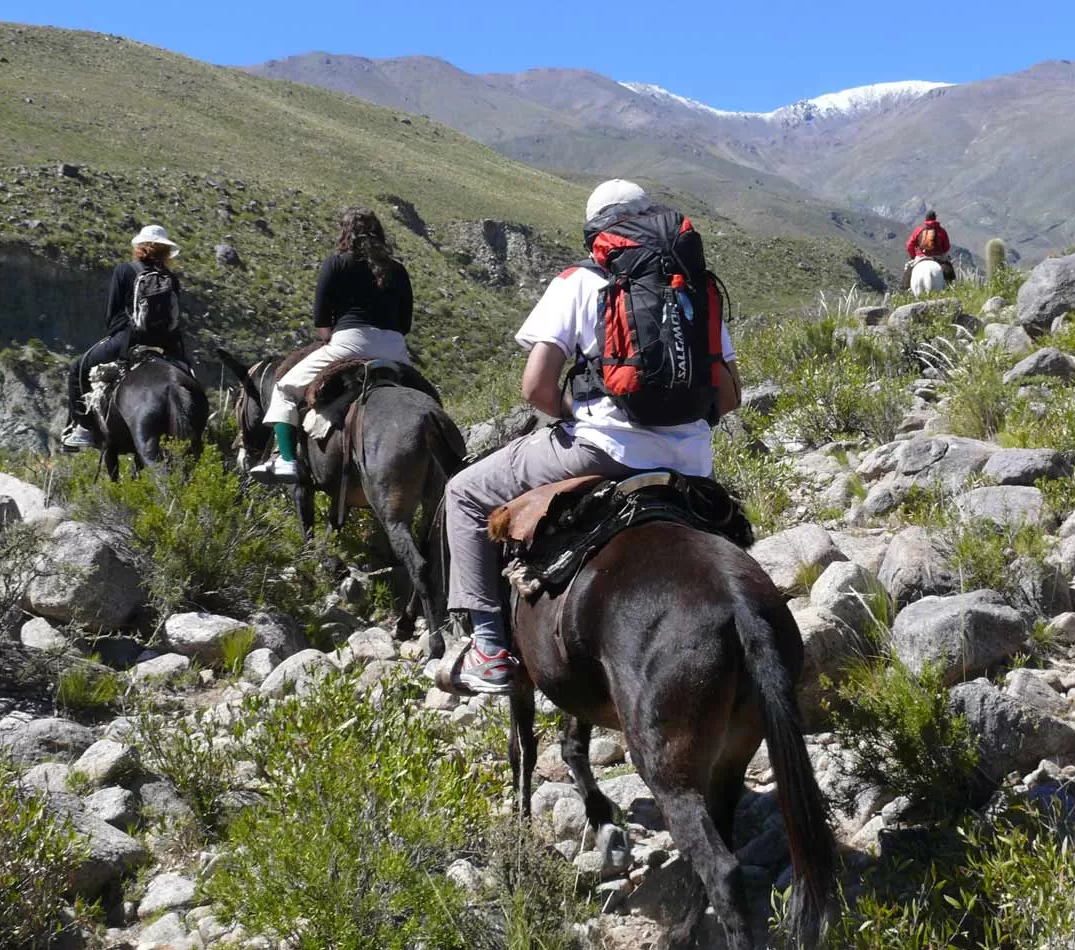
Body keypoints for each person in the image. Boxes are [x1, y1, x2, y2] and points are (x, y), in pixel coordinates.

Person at [442, 179, 743, 694]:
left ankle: (488, 650)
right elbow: (731, 397)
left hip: (603, 449)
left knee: (464, 493)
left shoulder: (579, 281)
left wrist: (574, 411)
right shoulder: (696, 284)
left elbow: (535, 388)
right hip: (693, 461)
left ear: (595, 233)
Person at [250, 207, 414, 482]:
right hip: (395, 348)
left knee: (285, 390)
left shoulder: (336, 263)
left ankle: (287, 461)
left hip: (349, 343)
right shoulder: (397, 269)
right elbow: (405, 324)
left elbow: (322, 323)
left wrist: (332, 338)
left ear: (345, 232)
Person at [62, 225, 188, 451]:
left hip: (129, 339)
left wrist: (120, 336)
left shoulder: (125, 270)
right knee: (187, 377)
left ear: (140, 247)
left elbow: (112, 315)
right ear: (166, 252)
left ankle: (83, 428)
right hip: (167, 344)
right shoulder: (171, 278)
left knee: (76, 369)